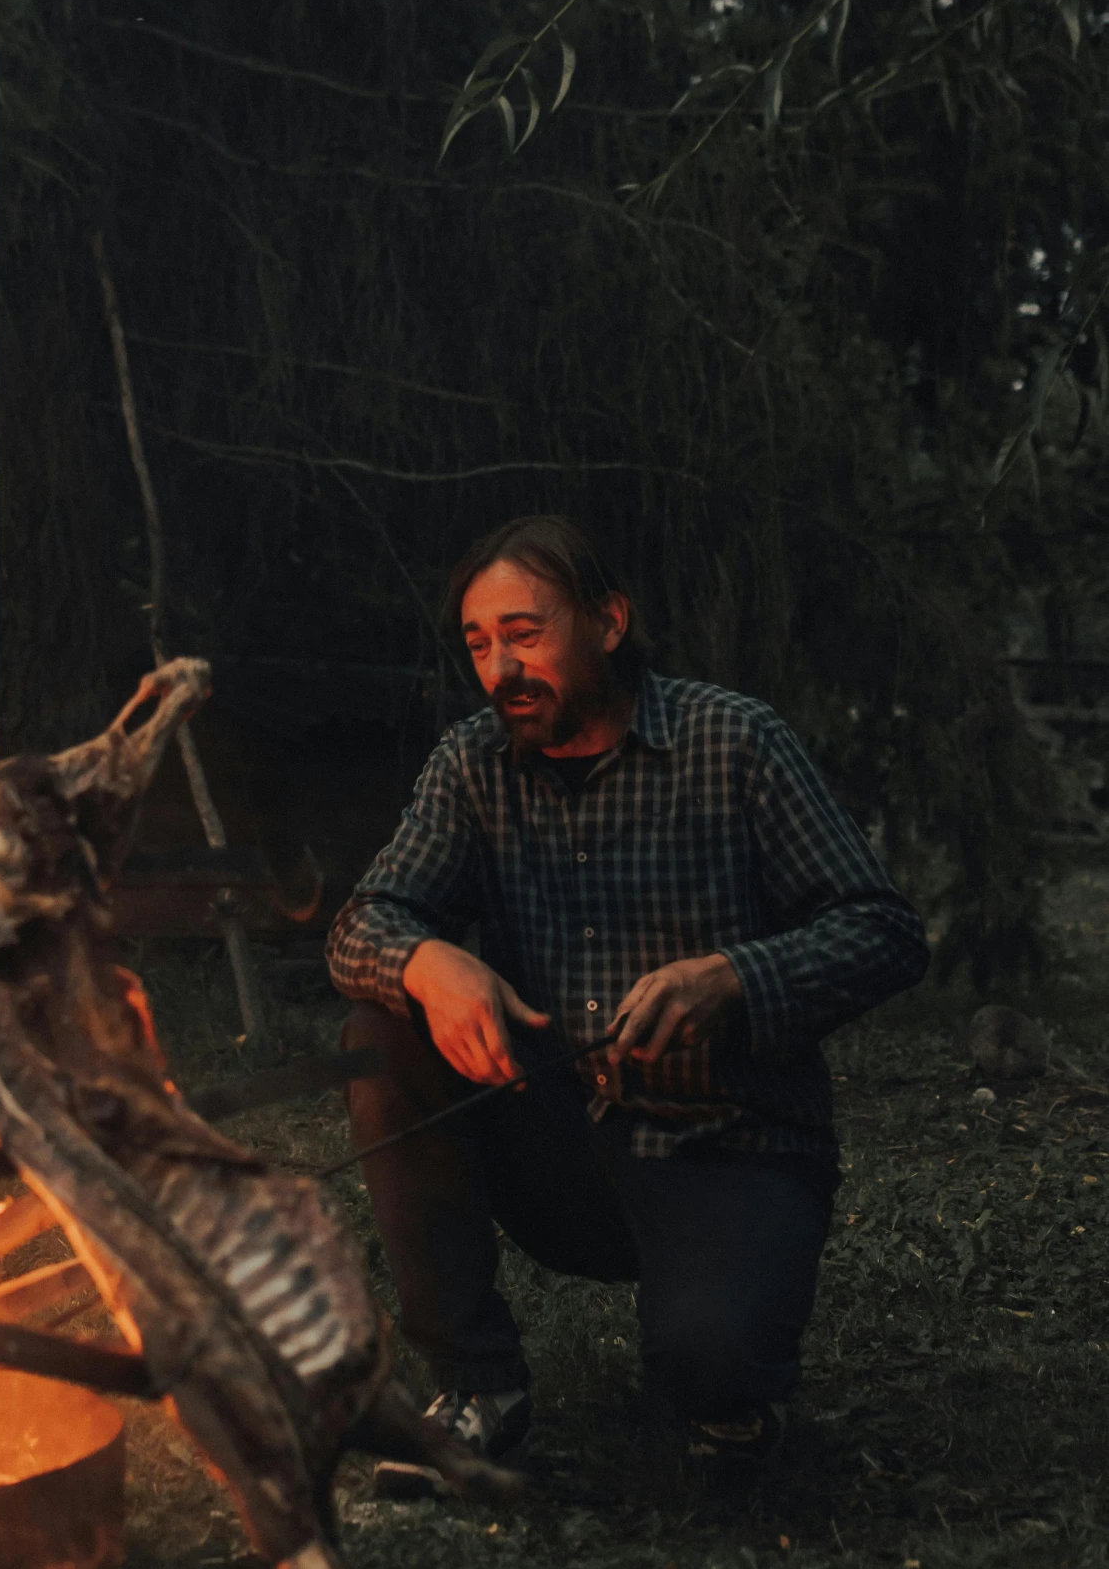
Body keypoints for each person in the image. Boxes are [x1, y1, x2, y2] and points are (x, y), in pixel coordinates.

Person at [326, 514, 929, 1490]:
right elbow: (361, 923)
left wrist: (732, 977)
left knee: (714, 1371)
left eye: (524, 632)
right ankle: (477, 1388)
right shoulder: (473, 764)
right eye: (479, 643)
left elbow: (885, 929)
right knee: (380, 1027)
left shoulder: (733, 743)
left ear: (607, 621)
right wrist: (431, 963)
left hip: (727, 1143)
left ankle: (720, 1373)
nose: (499, 668)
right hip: (556, 1141)